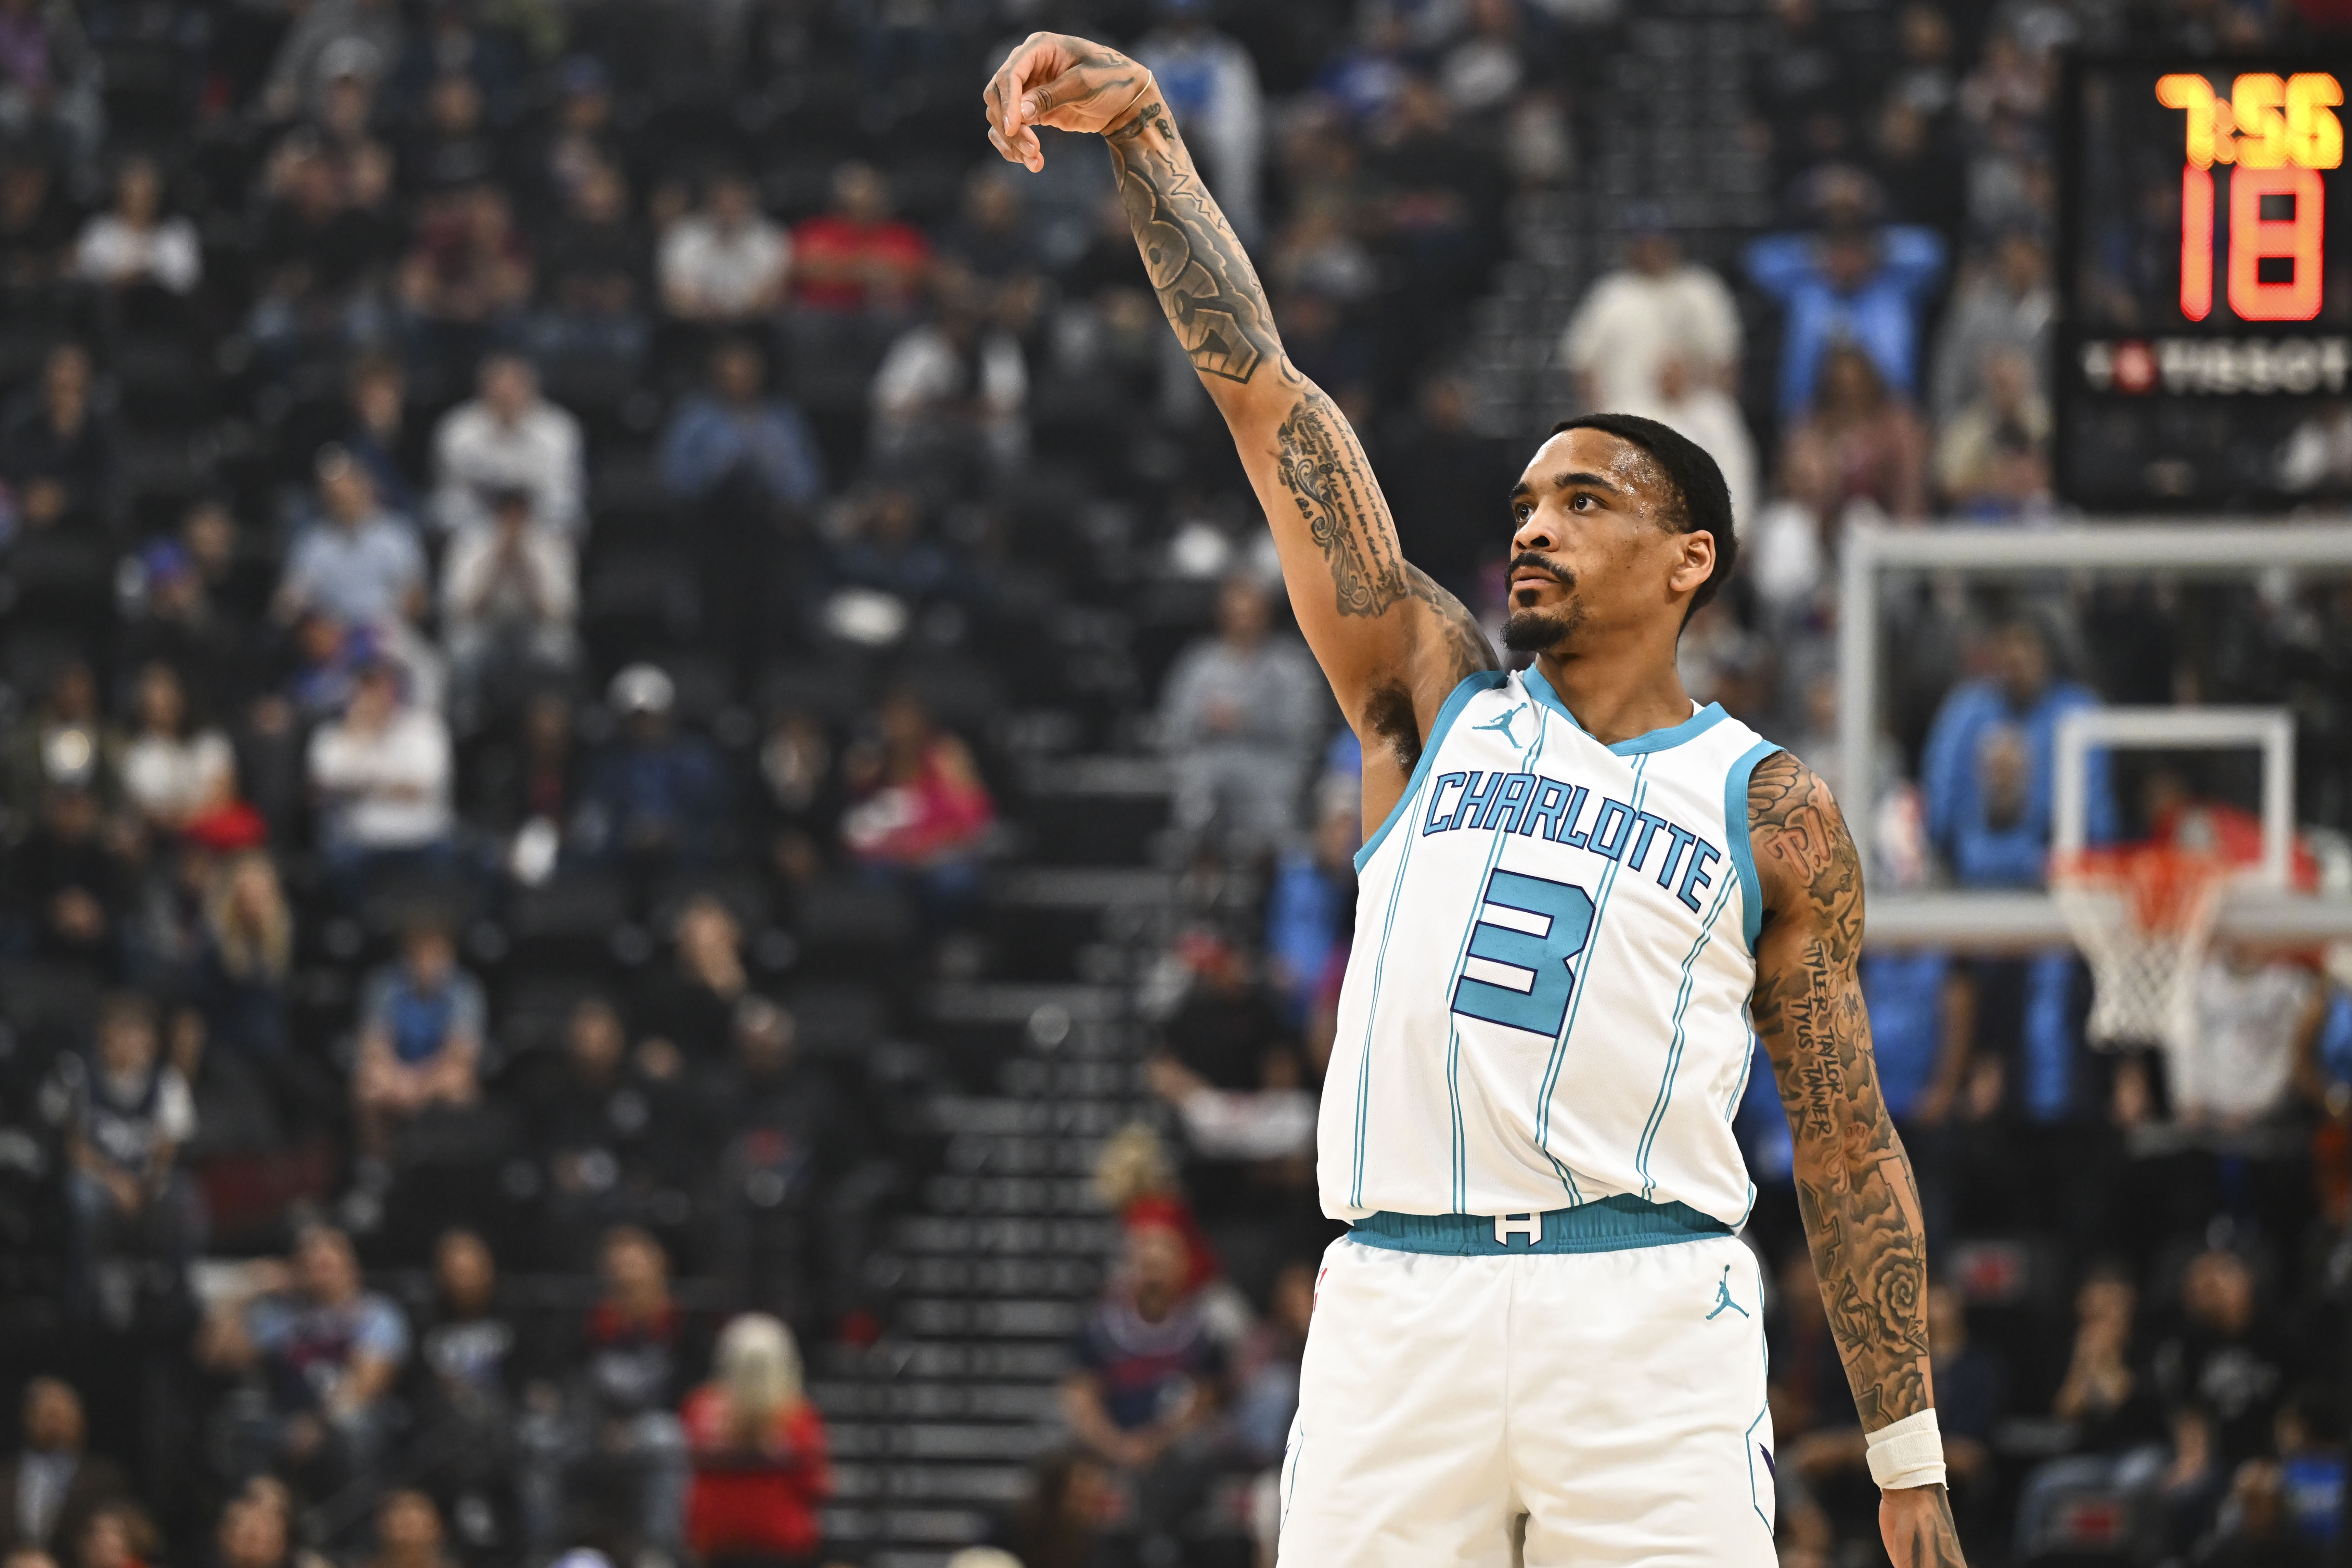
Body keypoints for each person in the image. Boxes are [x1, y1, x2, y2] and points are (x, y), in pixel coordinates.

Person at [984, 33, 1965, 1564]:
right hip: (1395, 1306)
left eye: (1582, 500)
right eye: (1522, 504)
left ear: (1689, 559)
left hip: (1647, 1316)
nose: (1532, 529)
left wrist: (1905, 1457)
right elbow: (1268, 402)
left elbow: (1842, 1140)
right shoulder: (1430, 697)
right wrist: (1148, 139)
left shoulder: (1766, 804)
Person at [197, 1224, 410, 1487]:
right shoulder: (283, 1317)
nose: (318, 1262)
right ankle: (258, 1504)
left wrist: (317, 1424)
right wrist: (249, 1291)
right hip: (286, 1419)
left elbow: (365, 1386)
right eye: (310, 1259)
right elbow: (213, 1356)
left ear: (352, 1268)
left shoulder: (375, 1313)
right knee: (232, 1423)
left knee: (354, 1428)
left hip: (344, 1418)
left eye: (328, 1260)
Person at [1157, 574, 1325, 859]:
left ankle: (1267, 866)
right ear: (1221, 616)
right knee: (1198, 791)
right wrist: (1206, 720)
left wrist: (1248, 720)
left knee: (1272, 803)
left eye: (1251, 614)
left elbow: (1305, 729)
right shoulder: (1199, 664)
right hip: (1209, 765)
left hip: (1270, 766)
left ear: (1266, 615)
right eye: (1235, 614)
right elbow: (1173, 725)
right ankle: (1201, 868)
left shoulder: (1290, 666)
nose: (1243, 622)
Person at [57, 993, 202, 1319]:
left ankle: (178, 1295)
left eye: (138, 1034)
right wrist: (115, 1184)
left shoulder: (167, 1084)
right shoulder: (80, 1077)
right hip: (100, 1179)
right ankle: (82, 1294)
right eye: (122, 1033)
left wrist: (145, 1185)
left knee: (184, 1197)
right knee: (82, 1197)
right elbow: (76, 1147)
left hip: (145, 1181)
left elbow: (166, 1150)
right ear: (104, 1038)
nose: (131, 1043)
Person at [680, 1314, 832, 1568]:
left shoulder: (801, 1419)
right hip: (721, 1551)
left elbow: (817, 1486)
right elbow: (819, 1487)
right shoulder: (801, 1419)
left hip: (778, 1553)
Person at [1560, 222, 1743, 421]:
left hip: (1694, 412)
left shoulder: (1701, 289)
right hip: (1628, 412)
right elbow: (1584, 365)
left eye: (1659, 243)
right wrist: (1599, 420)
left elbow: (1725, 362)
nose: (1652, 251)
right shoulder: (1612, 295)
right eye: (1645, 244)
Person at [306, 661, 455, 895]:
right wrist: (359, 736)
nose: (375, 698)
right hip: (360, 843)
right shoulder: (332, 735)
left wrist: (357, 786)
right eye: (366, 690)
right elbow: (320, 787)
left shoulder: (423, 728)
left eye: (381, 688)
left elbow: (419, 788)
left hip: (421, 840)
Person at [351, 920, 484, 1161]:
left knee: (460, 1084)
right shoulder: (384, 983)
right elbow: (374, 1045)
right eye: (422, 955)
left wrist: (420, 1087)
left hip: (438, 1073)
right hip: (397, 1072)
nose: (428, 963)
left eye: (437, 955)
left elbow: (460, 1054)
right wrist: (400, 1081)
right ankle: (377, 1164)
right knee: (368, 1085)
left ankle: (448, 1162)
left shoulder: (465, 989)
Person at [430, 353, 586, 539]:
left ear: (531, 388)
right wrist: (497, 531)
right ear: (484, 389)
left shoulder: (558, 431)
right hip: (476, 531)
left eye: (515, 387)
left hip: (541, 530)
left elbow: (564, 499)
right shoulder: (459, 431)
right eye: (499, 388)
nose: (507, 395)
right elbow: (450, 502)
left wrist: (520, 529)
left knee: (554, 548)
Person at [273, 447, 427, 630]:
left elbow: (417, 598)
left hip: (388, 630)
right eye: (333, 493)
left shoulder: (395, 532)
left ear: (364, 486)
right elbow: (289, 603)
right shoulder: (313, 543)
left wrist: (384, 623)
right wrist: (306, 619)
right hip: (334, 635)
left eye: (346, 488)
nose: (341, 497)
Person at [659, 339, 825, 509]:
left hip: (772, 512)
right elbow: (671, 477)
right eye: (731, 377)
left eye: (747, 377)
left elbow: (808, 484)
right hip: (705, 510)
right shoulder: (695, 416)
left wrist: (770, 466)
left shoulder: (782, 417)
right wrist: (716, 467)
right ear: (716, 377)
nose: (740, 385)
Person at [0, 1380, 128, 1556]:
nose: (53, 1424)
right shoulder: (5, 1477)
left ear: (80, 1420)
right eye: (46, 1415)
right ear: (27, 1419)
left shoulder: (104, 1478)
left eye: (60, 1415)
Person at [658, 172, 789, 324]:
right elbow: (673, 291)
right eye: (722, 200)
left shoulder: (771, 238)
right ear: (709, 201)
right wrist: (702, 308)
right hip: (693, 324)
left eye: (735, 200)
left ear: (749, 201)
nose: (728, 207)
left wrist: (735, 310)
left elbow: (773, 292)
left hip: (755, 324)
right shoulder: (681, 236)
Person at [72, 156, 199, 294]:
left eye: (146, 195)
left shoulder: (177, 234)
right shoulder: (99, 231)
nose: (139, 203)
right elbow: (86, 272)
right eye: (132, 195)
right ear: (120, 195)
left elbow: (186, 279)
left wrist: (143, 276)